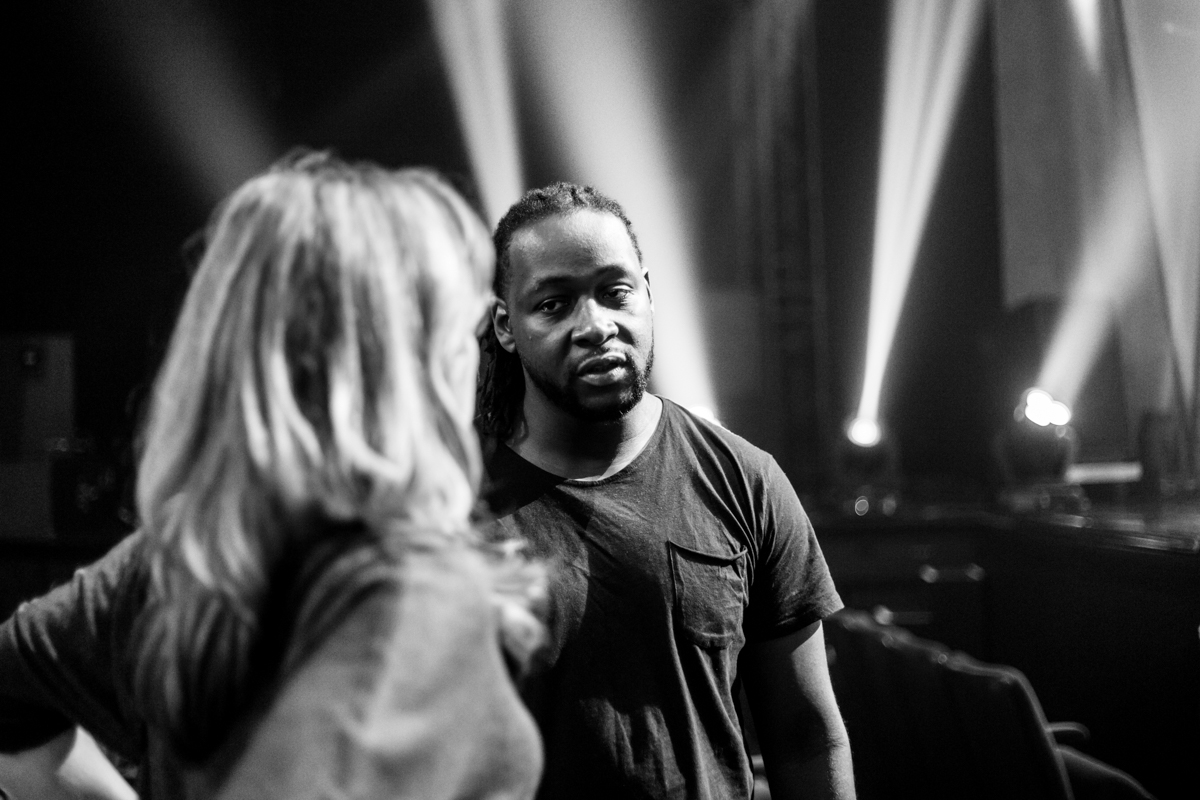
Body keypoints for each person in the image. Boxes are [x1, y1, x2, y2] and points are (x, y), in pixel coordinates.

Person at [0, 152, 544, 800]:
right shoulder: (410, 592)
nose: (471, 358)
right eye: (460, 330)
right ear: (404, 364)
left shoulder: (188, 554)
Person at [476, 182, 855, 799]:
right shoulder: (448, 506)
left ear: (648, 294)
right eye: (553, 304)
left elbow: (806, 737)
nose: (595, 326)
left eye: (614, 292)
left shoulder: (745, 480)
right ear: (506, 326)